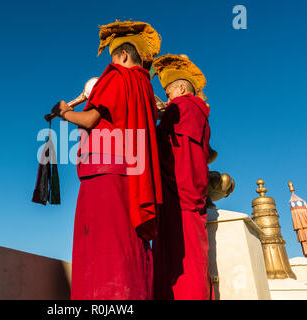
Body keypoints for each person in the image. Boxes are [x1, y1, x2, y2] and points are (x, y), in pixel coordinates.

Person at [57, 20, 162, 299]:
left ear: (123, 56)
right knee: (128, 244)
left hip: (104, 172)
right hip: (134, 174)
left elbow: (91, 119)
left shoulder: (117, 77)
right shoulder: (145, 87)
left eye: (113, 57)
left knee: (102, 245)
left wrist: (65, 113)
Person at [152, 54, 212, 300]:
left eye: (168, 94)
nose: (168, 100)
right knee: (195, 262)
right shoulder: (200, 113)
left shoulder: (183, 106)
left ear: (182, 88)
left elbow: (170, 149)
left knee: (178, 265)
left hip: (178, 194)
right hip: (193, 196)